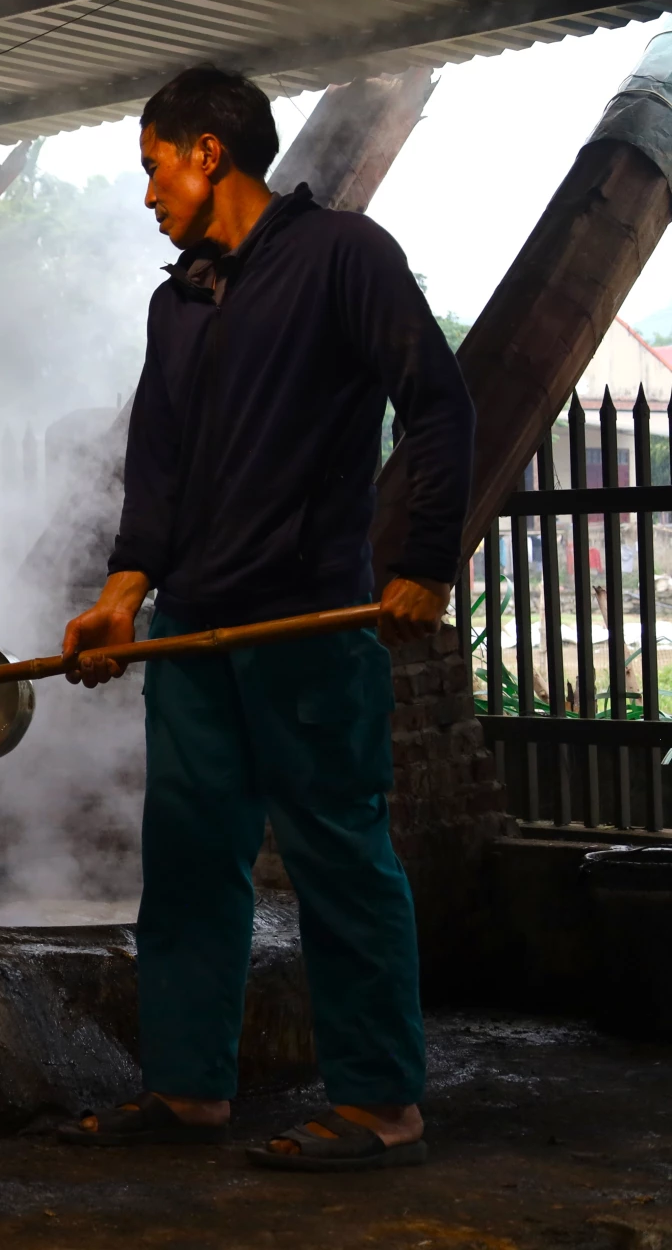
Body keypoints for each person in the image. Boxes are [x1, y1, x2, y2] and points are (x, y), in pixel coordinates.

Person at [55, 67, 475, 1170]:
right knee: (189, 862)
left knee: (339, 856)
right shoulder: (179, 299)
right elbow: (158, 467)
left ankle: (381, 1104)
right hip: (196, 630)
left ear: (208, 153)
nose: (149, 193)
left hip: (308, 622)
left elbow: (437, 404)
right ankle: (188, 1087)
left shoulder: (344, 257)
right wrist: (122, 595)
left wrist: (425, 562)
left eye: (154, 167)